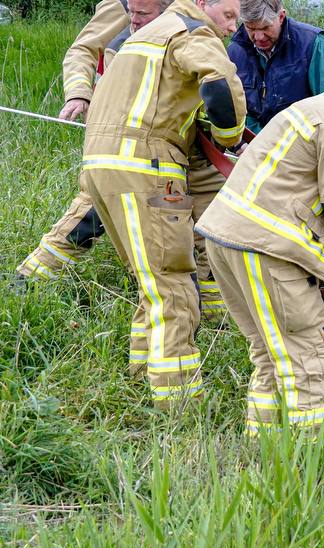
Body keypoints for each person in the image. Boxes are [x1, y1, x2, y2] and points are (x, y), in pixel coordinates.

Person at [196, 43, 324, 434]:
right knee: (309, 353)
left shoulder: (319, 108)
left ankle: (262, 442)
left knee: (270, 352)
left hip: (226, 238)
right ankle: (314, 455)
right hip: (265, 247)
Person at [79, 0, 245, 409]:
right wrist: (230, 136)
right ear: (204, 3)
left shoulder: (149, 32)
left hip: (101, 163)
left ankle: (141, 373)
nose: (232, 28)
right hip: (149, 165)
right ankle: (179, 401)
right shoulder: (191, 29)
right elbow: (220, 83)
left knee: (149, 278)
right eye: (228, 16)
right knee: (173, 281)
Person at [14, 0, 139, 284]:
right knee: (96, 203)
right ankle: (30, 279)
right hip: (119, 126)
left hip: (174, 130)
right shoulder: (123, 4)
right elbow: (83, 49)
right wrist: (78, 93)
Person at [227, 0, 324, 133]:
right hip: (253, 146)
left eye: (265, 27)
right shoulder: (235, 51)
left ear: (281, 17)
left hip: (303, 146)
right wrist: (250, 142)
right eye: (250, 28)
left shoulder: (315, 44)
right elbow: (233, 109)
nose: (259, 37)